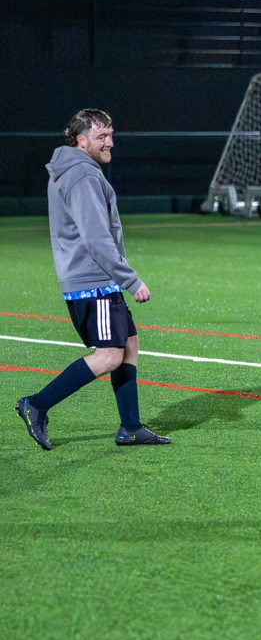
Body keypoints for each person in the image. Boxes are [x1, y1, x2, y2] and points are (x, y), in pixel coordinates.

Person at [14, 109, 170, 450]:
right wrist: (130, 280)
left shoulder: (73, 169)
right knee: (111, 355)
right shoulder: (82, 175)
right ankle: (37, 404)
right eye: (102, 137)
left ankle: (130, 427)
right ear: (80, 140)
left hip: (93, 279)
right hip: (93, 281)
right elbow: (96, 238)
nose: (109, 142)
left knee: (128, 344)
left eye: (111, 135)